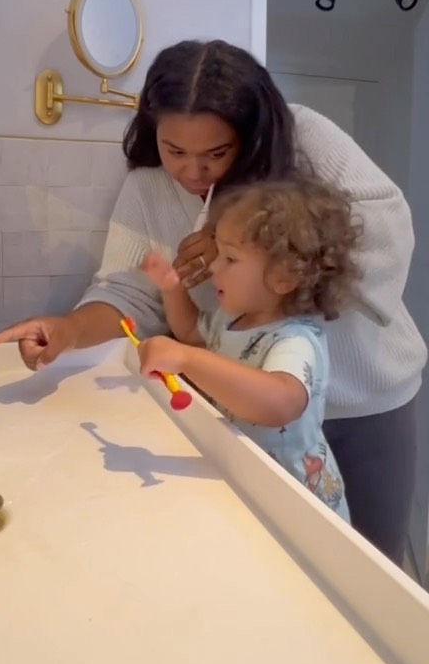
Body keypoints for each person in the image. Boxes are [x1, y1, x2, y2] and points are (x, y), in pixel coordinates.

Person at [0, 39, 427, 566]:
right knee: (276, 570)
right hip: (244, 415)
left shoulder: (303, 136)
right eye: (174, 151)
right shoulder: (148, 187)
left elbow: (388, 236)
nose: (193, 174)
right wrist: (69, 331)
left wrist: (260, 246)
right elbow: (127, 292)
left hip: (364, 403)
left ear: (252, 133)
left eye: (217, 154)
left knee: (376, 573)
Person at [137, 176, 363, 521]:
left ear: (284, 277)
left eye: (230, 258)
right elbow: (191, 332)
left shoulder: (295, 340)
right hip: (246, 483)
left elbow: (280, 403)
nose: (214, 266)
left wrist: (187, 359)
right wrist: (171, 289)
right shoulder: (233, 318)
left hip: (298, 510)